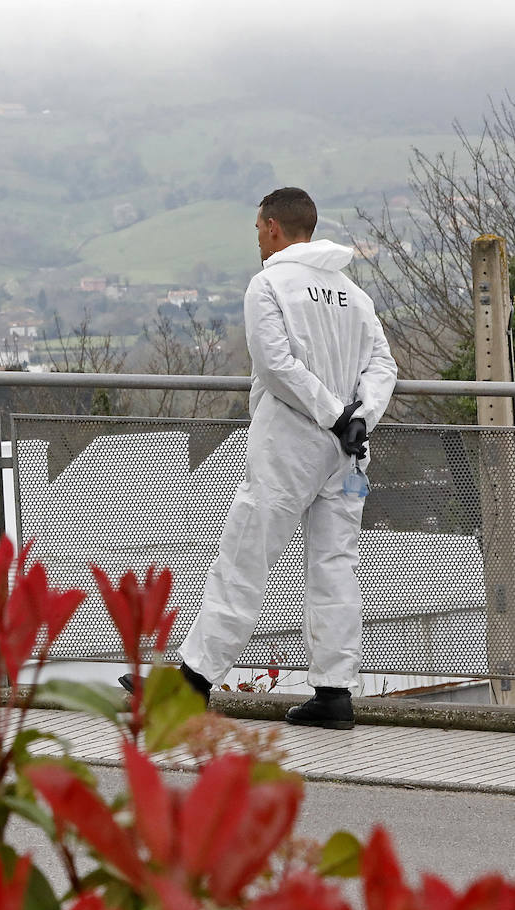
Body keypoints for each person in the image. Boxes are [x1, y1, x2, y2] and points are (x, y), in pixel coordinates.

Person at [170, 187, 397, 729]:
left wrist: (330, 414)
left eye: (257, 229)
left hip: (289, 442)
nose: (257, 239)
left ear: (273, 227)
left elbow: (275, 366)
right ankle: (335, 693)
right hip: (347, 454)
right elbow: (383, 366)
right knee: (335, 566)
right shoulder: (354, 296)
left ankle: (194, 680)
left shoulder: (269, 284)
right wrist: (358, 418)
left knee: (248, 555)